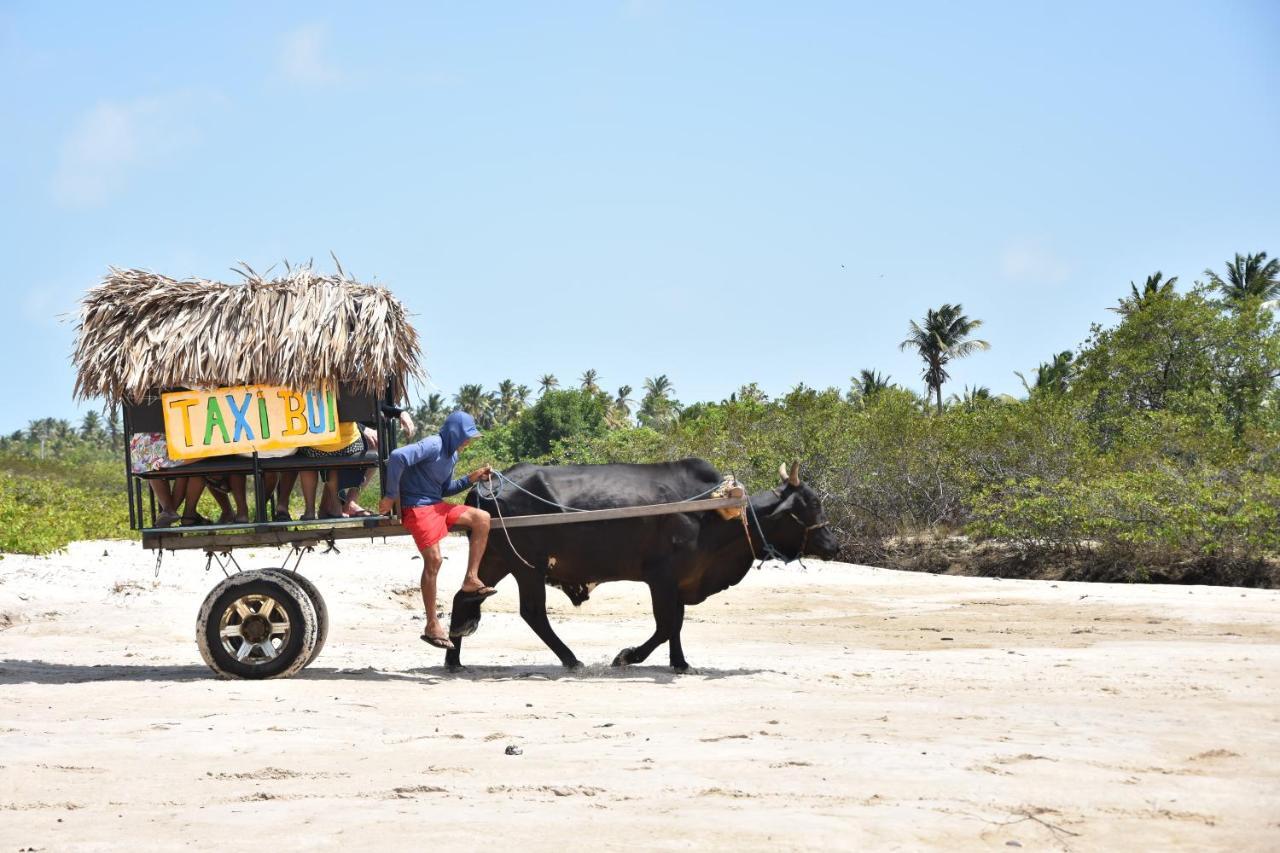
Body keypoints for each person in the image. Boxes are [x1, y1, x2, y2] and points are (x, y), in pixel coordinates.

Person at [378, 410, 495, 649]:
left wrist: (470, 479)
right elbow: (398, 456)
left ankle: (471, 579)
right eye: (466, 436)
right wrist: (390, 497)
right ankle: (432, 624)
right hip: (416, 507)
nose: (468, 441)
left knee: (482, 518)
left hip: (436, 505)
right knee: (434, 560)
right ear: (454, 432)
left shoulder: (451, 456)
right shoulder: (434, 444)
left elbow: (442, 490)